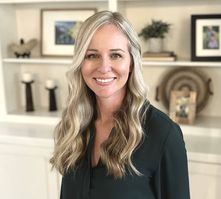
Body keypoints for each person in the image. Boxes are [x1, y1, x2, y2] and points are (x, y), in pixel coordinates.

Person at [50, 10, 190, 199]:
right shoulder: (74, 123)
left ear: (131, 62)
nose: (104, 67)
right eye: (92, 55)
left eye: (116, 55)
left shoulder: (163, 134)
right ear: (80, 62)